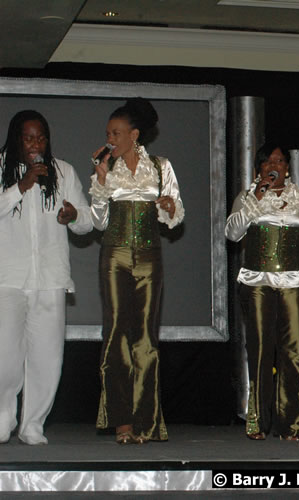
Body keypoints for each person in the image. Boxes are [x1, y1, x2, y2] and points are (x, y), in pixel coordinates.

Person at [225, 143, 299, 441]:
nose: (274, 165)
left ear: (288, 168)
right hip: (257, 282)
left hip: (293, 282)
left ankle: (292, 424)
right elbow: (232, 232)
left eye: (280, 160)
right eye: (268, 162)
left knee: (294, 352)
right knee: (262, 350)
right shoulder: (247, 197)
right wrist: (256, 198)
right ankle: (259, 421)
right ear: (259, 170)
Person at [90, 98, 184, 444]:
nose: (110, 138)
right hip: (114, 254)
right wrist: (100, 184)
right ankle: (122, 422)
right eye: (107, 133)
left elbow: (176, 218)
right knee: (116, 333)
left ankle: (146, 421)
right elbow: (98, 221)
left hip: (148, 256)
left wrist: (168, 207)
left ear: (134, 135)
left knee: (145, 337)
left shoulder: (161, 167)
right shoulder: (105, 169)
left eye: (116, 133)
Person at [0, 110, 93, 445]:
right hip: (7, 278)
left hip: (50, 278)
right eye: (28, 137)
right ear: (15, 139)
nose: (36, 144)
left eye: (41, 137)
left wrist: (74, 215)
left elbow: (86, 222)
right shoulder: (1, 169)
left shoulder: (63, 172)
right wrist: (20, 186)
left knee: (47, 357)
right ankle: (2, 417)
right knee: (5, 357)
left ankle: (32, 424)